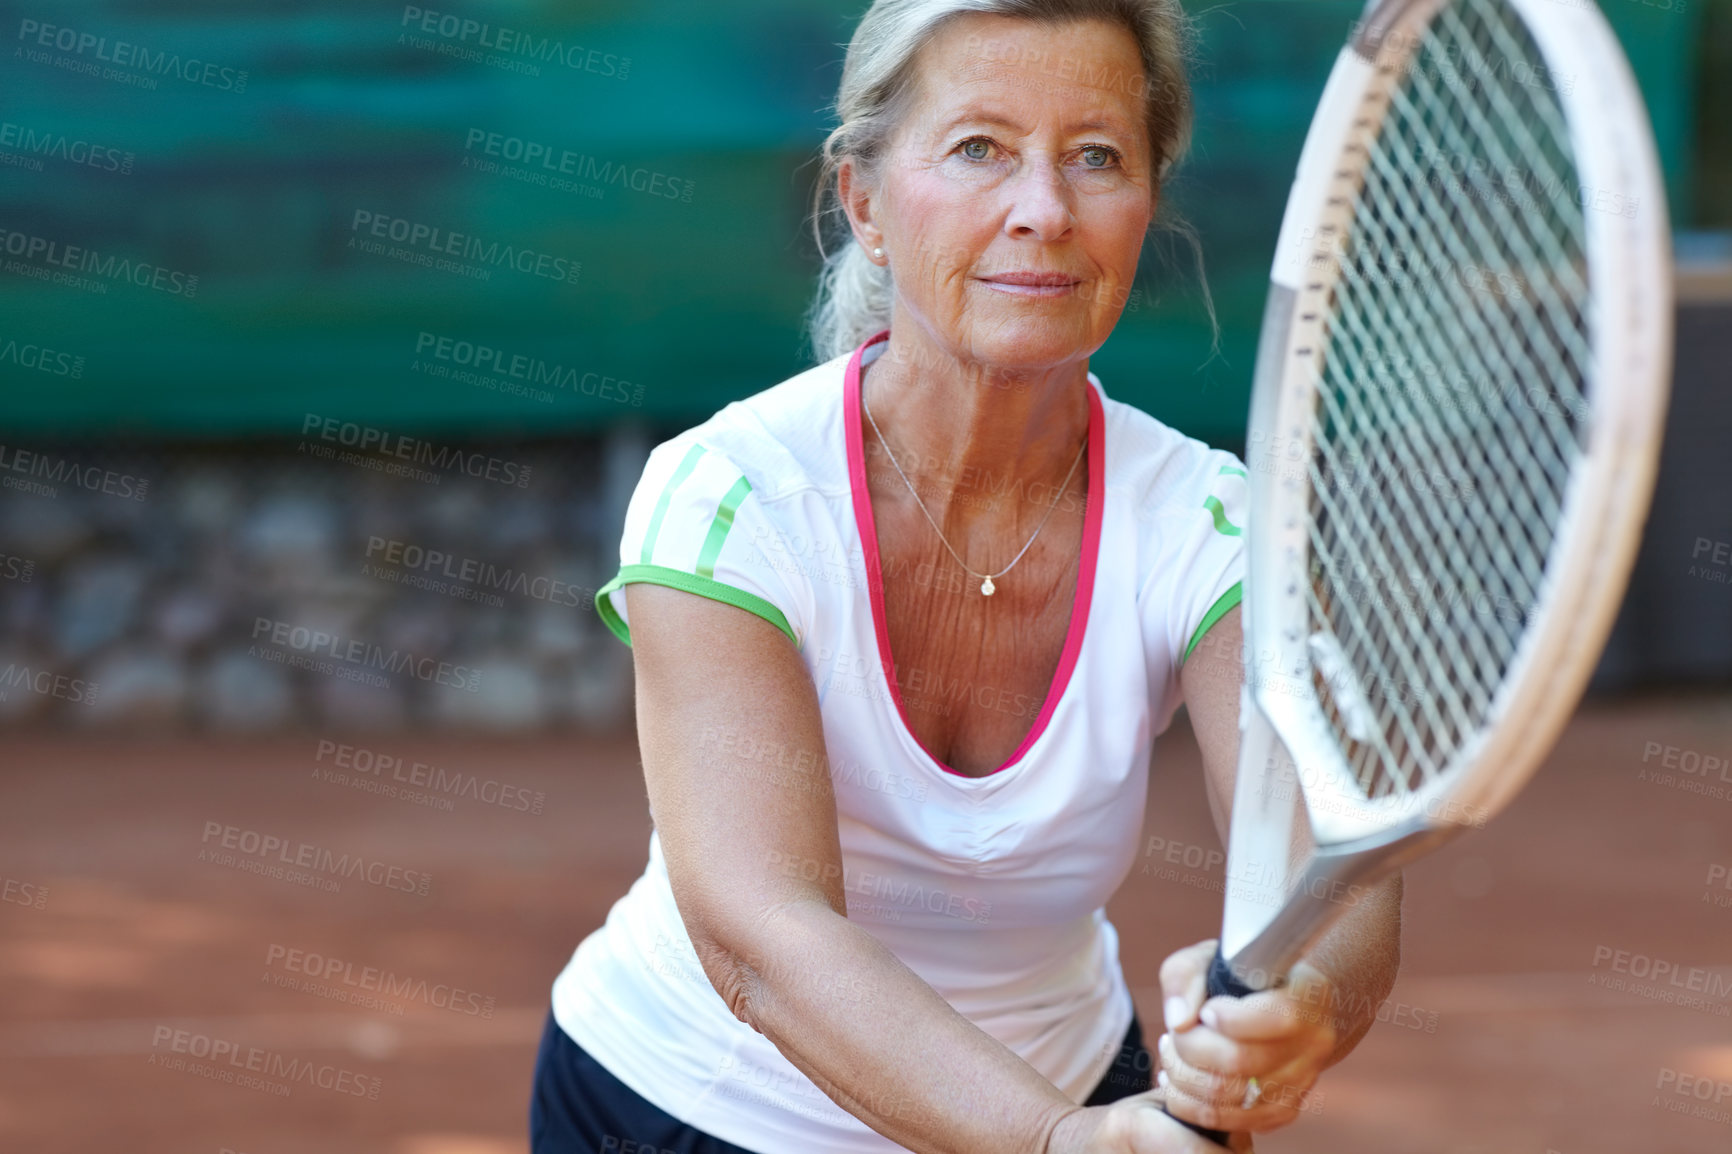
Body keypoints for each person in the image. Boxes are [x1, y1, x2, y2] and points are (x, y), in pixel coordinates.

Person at [531, 2, 1402, 1151]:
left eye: (1094, 157)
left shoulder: (1211, 524)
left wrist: (1303, 1006)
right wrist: (1056, 1141)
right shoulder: (728, 499)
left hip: (1082, 1082)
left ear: (1145, 206)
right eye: (979, 148)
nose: (1043, 210)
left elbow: (1333, 873)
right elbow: (762, 932)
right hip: (694, 1106)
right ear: (864, 203)